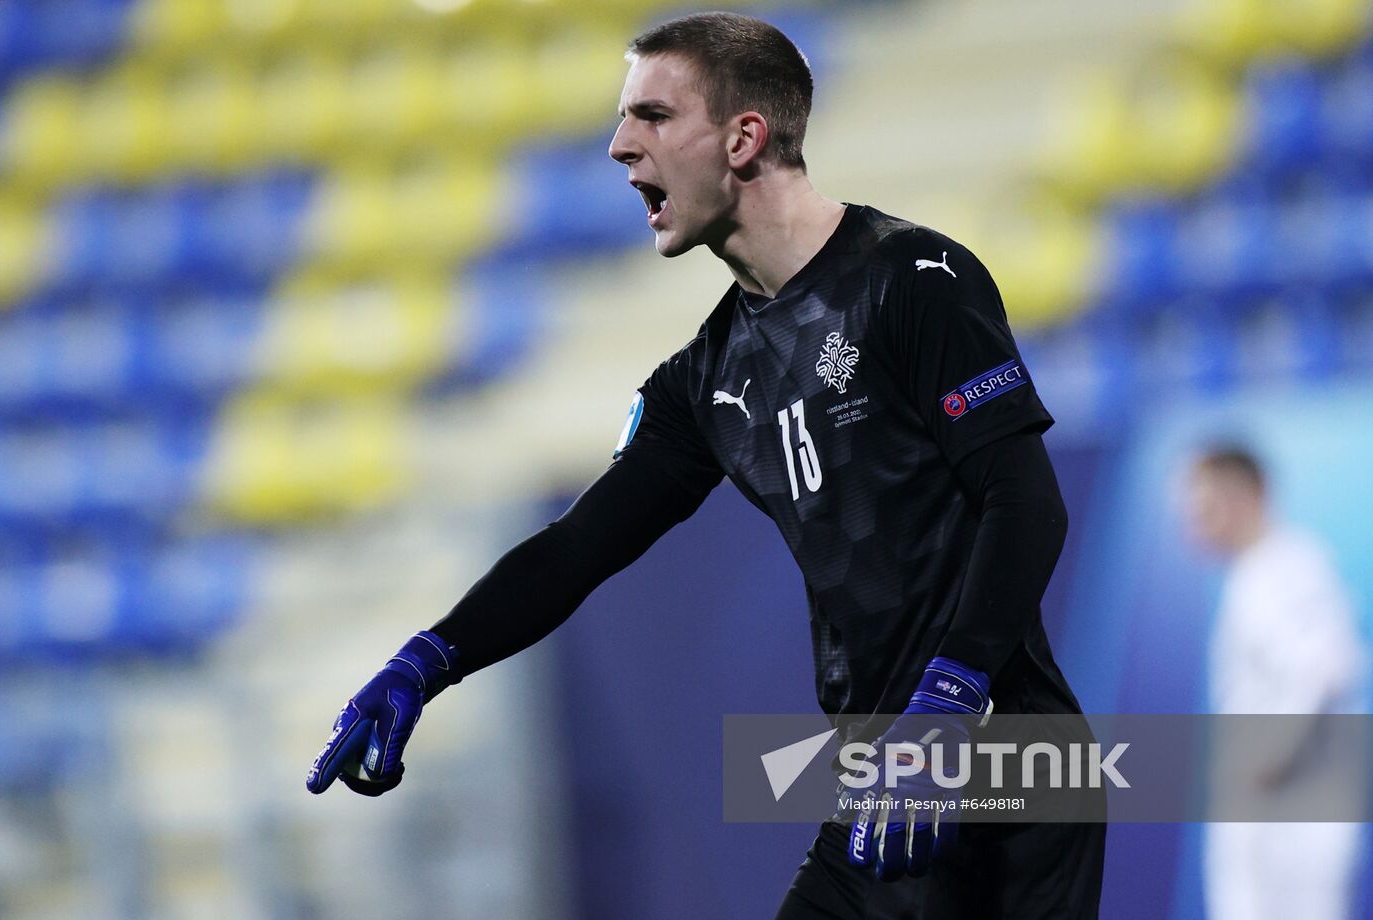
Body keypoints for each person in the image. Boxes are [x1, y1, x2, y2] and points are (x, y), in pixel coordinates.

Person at [306, 12, 1103, 918]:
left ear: (744, 137)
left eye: (651, 115)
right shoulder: (706, 376)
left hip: (1009, 769)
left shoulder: (914, 279)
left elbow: (1025, 502)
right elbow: (578, 549)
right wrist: (430, 657)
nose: (618, 146)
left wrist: (948, 703)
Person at [1186, 445, 1367, 920]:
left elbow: (1330, 667)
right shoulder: (1259, 571)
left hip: (1286, 814)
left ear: (1244, 497)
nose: (1194, 526)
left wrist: (1268, 762)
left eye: (1205, 509)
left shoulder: (1281, 570)